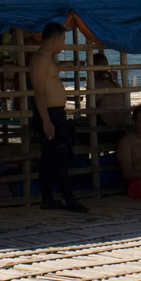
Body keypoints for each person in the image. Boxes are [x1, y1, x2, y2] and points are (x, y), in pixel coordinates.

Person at [28, 22, 88, 213]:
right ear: (54, 39)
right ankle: (68, 199)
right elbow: (38, 92)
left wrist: (62, 66)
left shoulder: (48, 59)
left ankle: (48, 198)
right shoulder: (39, 59)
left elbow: (49, 76)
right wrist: (46, 121)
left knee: (50, 158)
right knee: (60, 156)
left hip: (55, 113)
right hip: (49, 113)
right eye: (62, 39)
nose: (63, 43)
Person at [91, 52, 131, 129]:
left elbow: (91, 113)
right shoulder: (115, 84)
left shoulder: (96, 86)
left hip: (105, 126)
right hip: (121, 125)